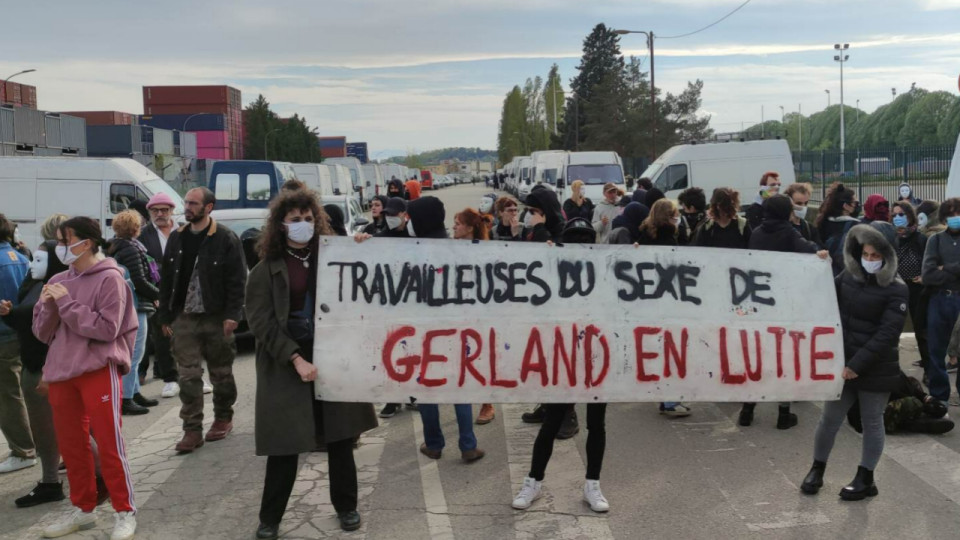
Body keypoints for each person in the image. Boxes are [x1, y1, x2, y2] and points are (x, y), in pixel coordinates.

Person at [246, 190, 377, 538]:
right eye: (294, 219)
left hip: (332, 356)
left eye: (308, 218)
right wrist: (295, 358)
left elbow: (364, 283)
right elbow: (261, 323)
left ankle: (347, 507)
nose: (302, 225)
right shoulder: (265, 269)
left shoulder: (334, 256)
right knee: (285, 444)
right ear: (280, 224)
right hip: (287, 361)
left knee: (340, 437)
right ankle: (270, 518)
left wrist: (361, 247)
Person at [32, 217, 139, 539]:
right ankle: (83, 508)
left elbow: (107, 329)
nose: (62, 246)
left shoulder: (111, 278)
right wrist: (50, 305)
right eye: (60, 240)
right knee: (72, 445)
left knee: (109, 441)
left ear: (88, 242)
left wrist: (65, 302)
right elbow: (41, 332)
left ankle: (125, 511)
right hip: (62, 372)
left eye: (67, 240)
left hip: (97, 368)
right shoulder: (59, 278)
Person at [800, 222, 907, 502]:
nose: (870, 260)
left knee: (872, 422)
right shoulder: (848, 275)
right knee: (829, 420)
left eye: (876, 256)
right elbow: (822, 293)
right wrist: (820, 265)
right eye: (866, 254)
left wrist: (856, 365)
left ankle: (865, 477)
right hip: (844, 364)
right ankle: (817, 468)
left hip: (875, 367)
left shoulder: (897, 289)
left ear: (888, 255)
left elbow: (887, 334)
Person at [512, 218, 610, 514]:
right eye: (574, 239)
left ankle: (592, 483)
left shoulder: (606, 270)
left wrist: (634, 257)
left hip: (596, 358)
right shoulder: (551, 270)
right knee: (552, 420)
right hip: (563, 358)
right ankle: (534, 481)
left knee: (596, 424)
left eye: (585, 240)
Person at [158, 187, 246, 454]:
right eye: (186, 202)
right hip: (184, 317)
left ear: (209, 207)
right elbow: (166, 278)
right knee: (188, 376)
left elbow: (237, 280)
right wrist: (165, 315)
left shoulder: (225, 238)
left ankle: (222, 416)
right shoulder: (177, 238)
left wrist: (233, 315)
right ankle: (192, 430)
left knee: (221, 373)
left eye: (193, 203)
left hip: (216, 317)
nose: (188, 207)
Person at [738, 195, 827, 430]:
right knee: (782, 357)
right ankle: (783, 413)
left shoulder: (756, 233)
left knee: (759, 358)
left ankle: (747, 410)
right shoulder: (789, 233)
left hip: (758, 303)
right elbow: (809, 250)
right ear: (786, 212)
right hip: (784, 304)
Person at [1, 240, 69, 507]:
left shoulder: (58, 289)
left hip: (47, 371)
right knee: (47, 431)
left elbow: (60, 336)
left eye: (40, 260)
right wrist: (9, 314)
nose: (32, 264)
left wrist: (48, 371)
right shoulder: (33, 285)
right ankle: (52, 480)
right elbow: (28, 322)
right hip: (34, 367)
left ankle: (56, 482)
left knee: (60, 430)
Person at [108, 210, 160, 416]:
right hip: (136, 305)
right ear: (135, 228)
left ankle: (134, 392)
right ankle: (126, 397)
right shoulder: (130, 248)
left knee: (136, 350)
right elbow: (139, 280)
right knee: (135, 351)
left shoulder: (117, 245)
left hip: (130, 303)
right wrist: (158, 294)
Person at [452, 208, 497, 425]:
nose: (454, 227)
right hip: (457, 313)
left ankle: (487, 403)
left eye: (458, 223)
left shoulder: (486, 252)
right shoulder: (447, 248)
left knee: (481, 359)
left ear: (470, 228)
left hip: (480, 314)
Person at [0, 213, 35, 475]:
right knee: (20, 392)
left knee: (8, 395)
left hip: (4, 335)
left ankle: (23, 450)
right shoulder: (19, 257)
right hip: (20, 331)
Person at [139, 192, 182, 398]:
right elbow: (142, 265)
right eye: (155, 210)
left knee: (189, 334)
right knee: (163, 336)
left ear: (172, 211)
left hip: (185, 290)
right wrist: (151, 293)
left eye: (164, 210)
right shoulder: (144, 234)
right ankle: (170, 379)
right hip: (158, 292)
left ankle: (194, 375)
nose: (160, 214)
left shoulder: (183, 229)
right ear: (149, 213)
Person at [920, 197, 960, 406]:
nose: (955, 218)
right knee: (936, 349)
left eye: (958, 214)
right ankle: (939, 396)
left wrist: (946, 267)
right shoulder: (934, 240)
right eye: (950, 214)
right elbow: (928, 275)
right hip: (940, 299)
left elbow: (937, 271)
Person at [847, 370, 953, 435]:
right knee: (911, 402)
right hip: (870, 417)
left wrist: (927, 398)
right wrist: (924, 405)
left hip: (886, 400)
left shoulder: (887, 364)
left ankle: (918, 414)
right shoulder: (871, 369)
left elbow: (905, 383)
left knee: (912, 382)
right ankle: (914, 422)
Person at [891, 202, 930, 372]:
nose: (898, 218)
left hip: (917, 289)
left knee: (922, 330)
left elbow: (931, 262)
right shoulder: (891, 238)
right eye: (894, 215)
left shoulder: (921, 239)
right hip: (895, 288)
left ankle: (929, 368)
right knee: (891, 330)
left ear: (910, 216)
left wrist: (925, 277)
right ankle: (891, 369)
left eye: (901, 214)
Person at [816, 182, 861, 276]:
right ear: (845, 206)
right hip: (845, 275)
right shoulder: (855, 226)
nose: (857, 205)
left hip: (825, 273)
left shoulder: (823, 222)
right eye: (855, 203)